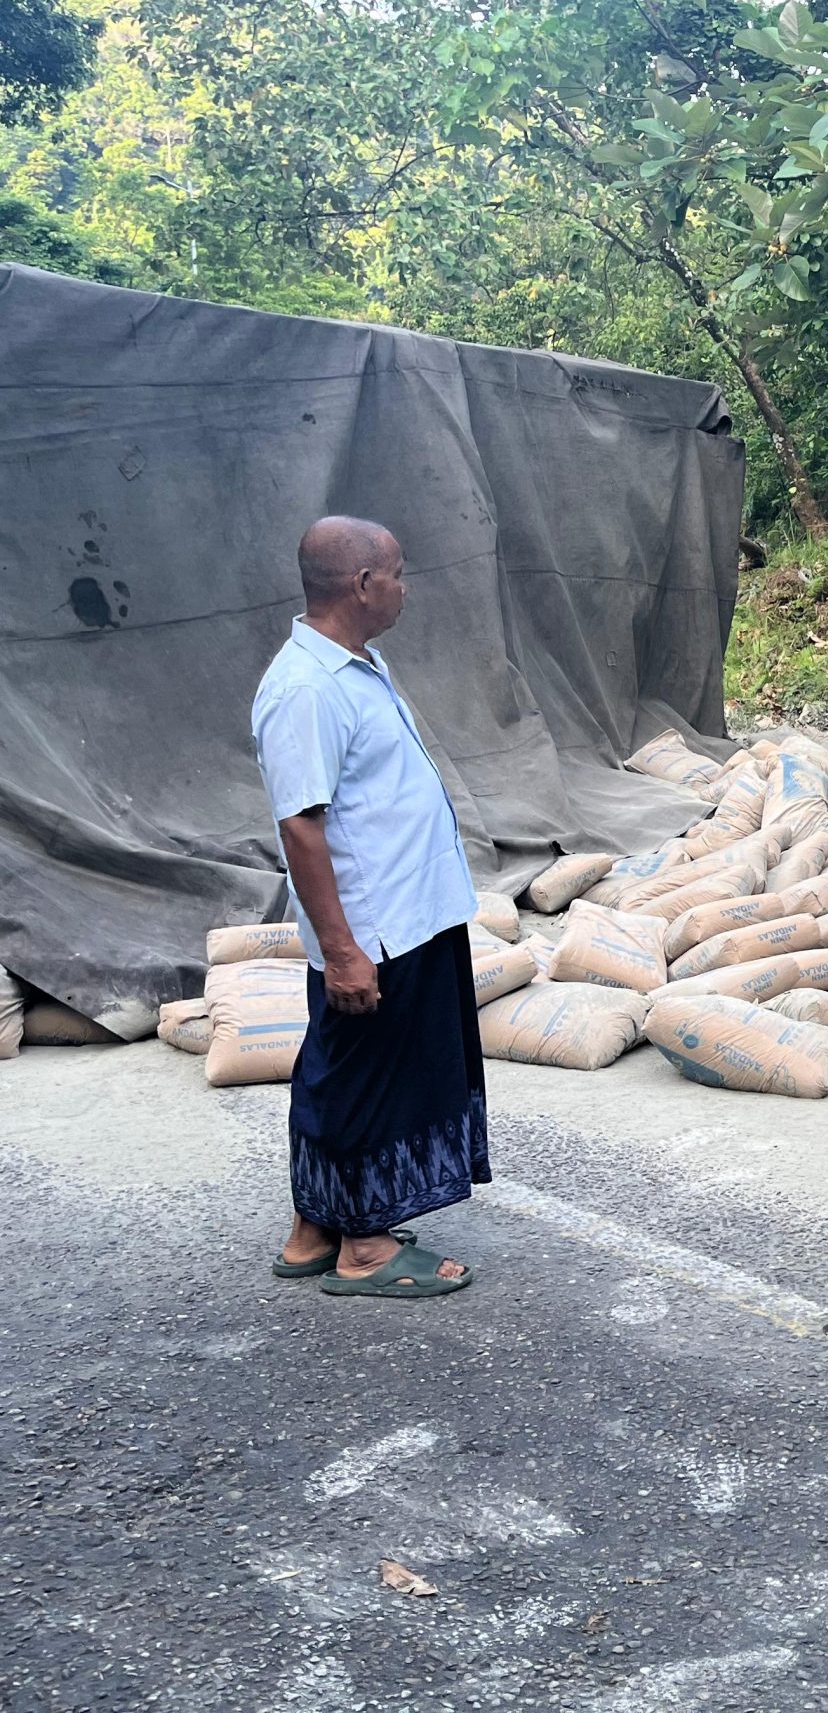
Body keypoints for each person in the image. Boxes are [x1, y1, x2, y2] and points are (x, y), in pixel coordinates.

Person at [252, 517, 485, 1299]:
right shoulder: (306, 688)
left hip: (404, 912)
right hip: (376, 926)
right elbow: (300, 824)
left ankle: (316, 1228)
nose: (404, 586)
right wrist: (343, 949)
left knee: (340, 1070)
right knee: (370, 1079)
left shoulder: (354, 666)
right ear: (361, 585)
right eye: (397, 572)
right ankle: (366, 1249)